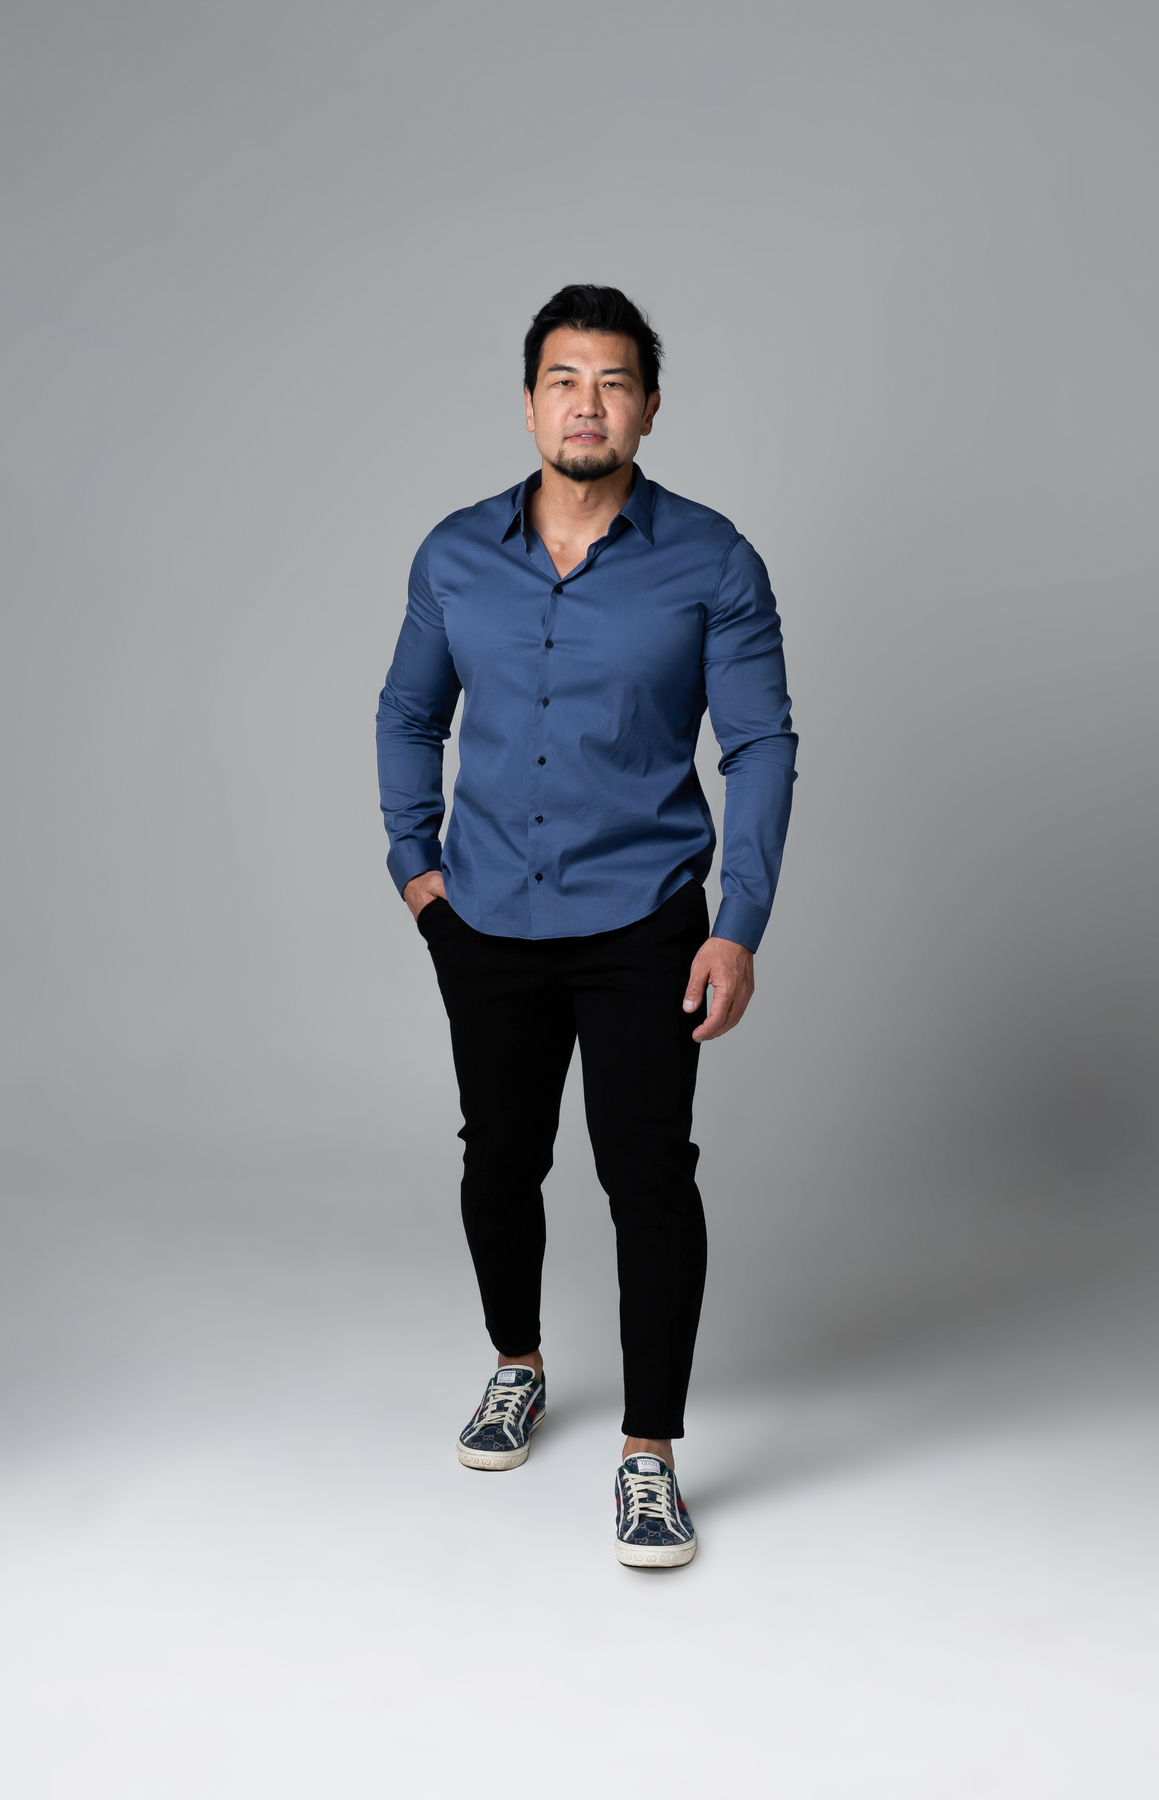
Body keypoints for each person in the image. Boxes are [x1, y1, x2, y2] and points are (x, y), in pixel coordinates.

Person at [376, 284, 796, 1567]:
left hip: (645, 921)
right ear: (528, 403)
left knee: (648, 1177)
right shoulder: (455, 555)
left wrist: (739, 923)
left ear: (650, 408)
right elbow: (408, 714)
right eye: (564, 380)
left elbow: (761, 744)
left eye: (613, 382)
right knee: (499, 1161)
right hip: (486, 918)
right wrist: (417, 872)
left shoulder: (713, 560)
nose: (587, 404)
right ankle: (518, 1364)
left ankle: (649, 1453)